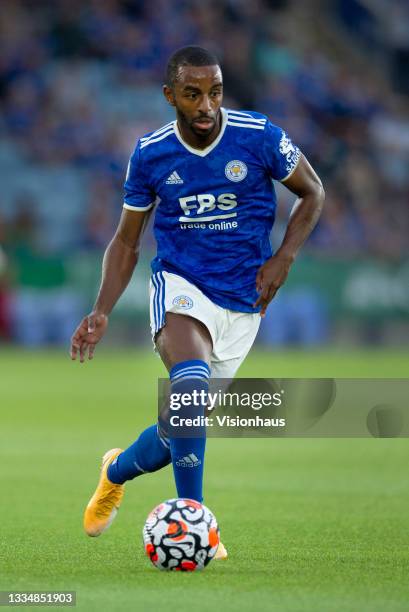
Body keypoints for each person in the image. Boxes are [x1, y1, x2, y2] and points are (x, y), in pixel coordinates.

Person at [70, 46, 325, 561]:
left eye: (215, 92)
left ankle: (115, 470)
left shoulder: (260, 136)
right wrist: (101, 309)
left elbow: (313, 192)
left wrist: (285, 259)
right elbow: (126, 242)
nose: (207, 104)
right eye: (193, 94)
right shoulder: (151, 153)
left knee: (178, 428)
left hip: (245, 299)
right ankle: (196, 523)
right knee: (187, 388)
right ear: (170, 97)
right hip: (182, 285)